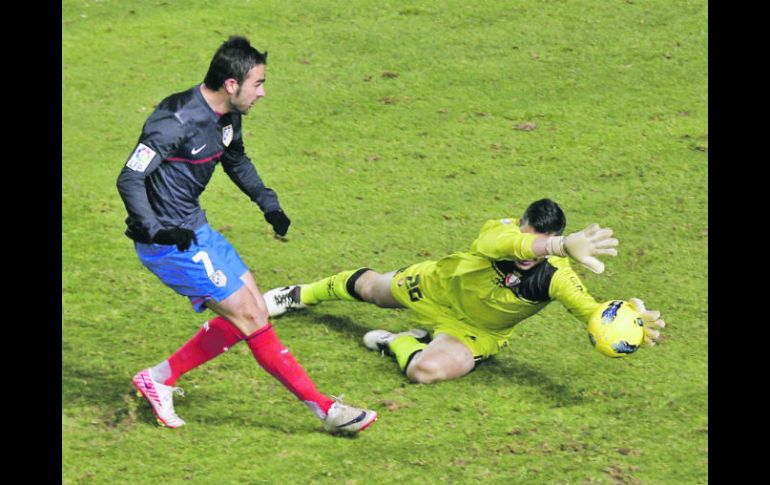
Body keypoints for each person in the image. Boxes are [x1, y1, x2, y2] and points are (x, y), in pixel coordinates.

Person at [116, 35, 377, 433]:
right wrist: (155, 228)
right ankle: (327, 411)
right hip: (171, 244)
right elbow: (131, 177)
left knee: (252, 308)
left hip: (197, 230)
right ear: (232, 85)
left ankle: (159, 378)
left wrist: (268, 203)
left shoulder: (226, 117)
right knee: (252, 317)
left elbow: (235, 159)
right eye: (258, 83)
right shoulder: (174, 121)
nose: (263, 92)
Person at [263, 199, 665, 384]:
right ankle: (299, 294)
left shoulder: (556, 276)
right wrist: (556, 246)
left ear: (557, 236)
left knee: (425, 371)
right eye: (531, 236)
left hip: (475, 332)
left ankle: (397, 342)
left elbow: (588, 311)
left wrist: (625, 321)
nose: (531, 253)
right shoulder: (500, 232)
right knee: (370, 287)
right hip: (435, 287)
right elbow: (512, 247)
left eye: (550, 241)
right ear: (521, 223)